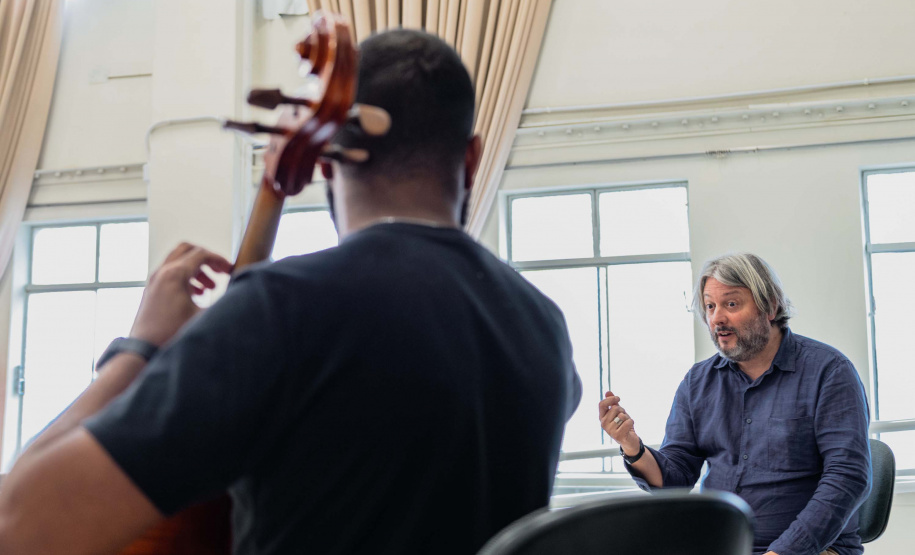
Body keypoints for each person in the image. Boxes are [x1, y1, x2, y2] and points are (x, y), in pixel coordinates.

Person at [0, 30, 581, 555]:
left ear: (327, 161)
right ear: (473, 157)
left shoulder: (287, 309)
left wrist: (139, 350)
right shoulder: (544, 328)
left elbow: (18, 525)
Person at [599, 253, 870, 555]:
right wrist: (632, 446)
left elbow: (848, 477)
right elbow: (676, 479)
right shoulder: (698, 381)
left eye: (731, 304)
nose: (717, 318)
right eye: (710, 306)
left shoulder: (829, 371)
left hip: (814, 549)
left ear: (770, 307)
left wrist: (782, 553)